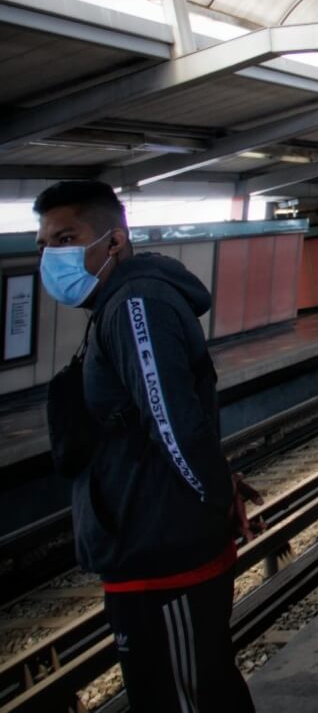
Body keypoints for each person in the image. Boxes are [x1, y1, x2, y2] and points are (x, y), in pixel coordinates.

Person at [34, 181, 257, 712]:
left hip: (164, 553)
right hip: (150, 541)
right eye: (44, 244)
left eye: (67, 237)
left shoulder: (135, 303)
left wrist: (216, 497)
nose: (52, 255)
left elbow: (173, 423)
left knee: (186, 700)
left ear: (113, 242)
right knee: (198, 689)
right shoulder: (118, 301)